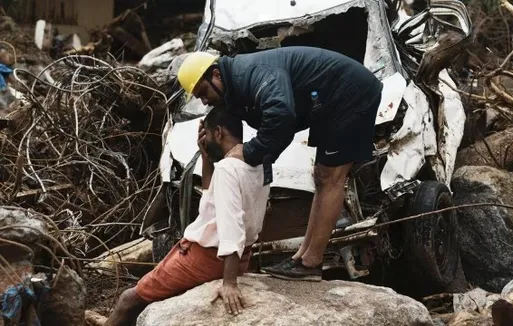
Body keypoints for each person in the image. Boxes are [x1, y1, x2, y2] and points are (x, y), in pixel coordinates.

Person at [177, 46, 383, 282]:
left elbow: (281, 116)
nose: (205, 100)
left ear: (216, 74)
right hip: (327, 101)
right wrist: (211, 147)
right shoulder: (233, 86)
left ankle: (311, 262)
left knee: (331, 177)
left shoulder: (251, 74)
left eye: (203, 91)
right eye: (199, 98)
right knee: (321, 176)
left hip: (350, 93)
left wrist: (251, 151)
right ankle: (302, 257)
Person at [101, 108, 270, 326]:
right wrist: (206, 158)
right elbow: (213, 203)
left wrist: (229, 283)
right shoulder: (257, 163)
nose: (204, 140)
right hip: (236, 257)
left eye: (206, 135)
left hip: (206, 258)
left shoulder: (228, 168)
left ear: (218, 133)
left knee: (128, 299)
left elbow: (232, 226)